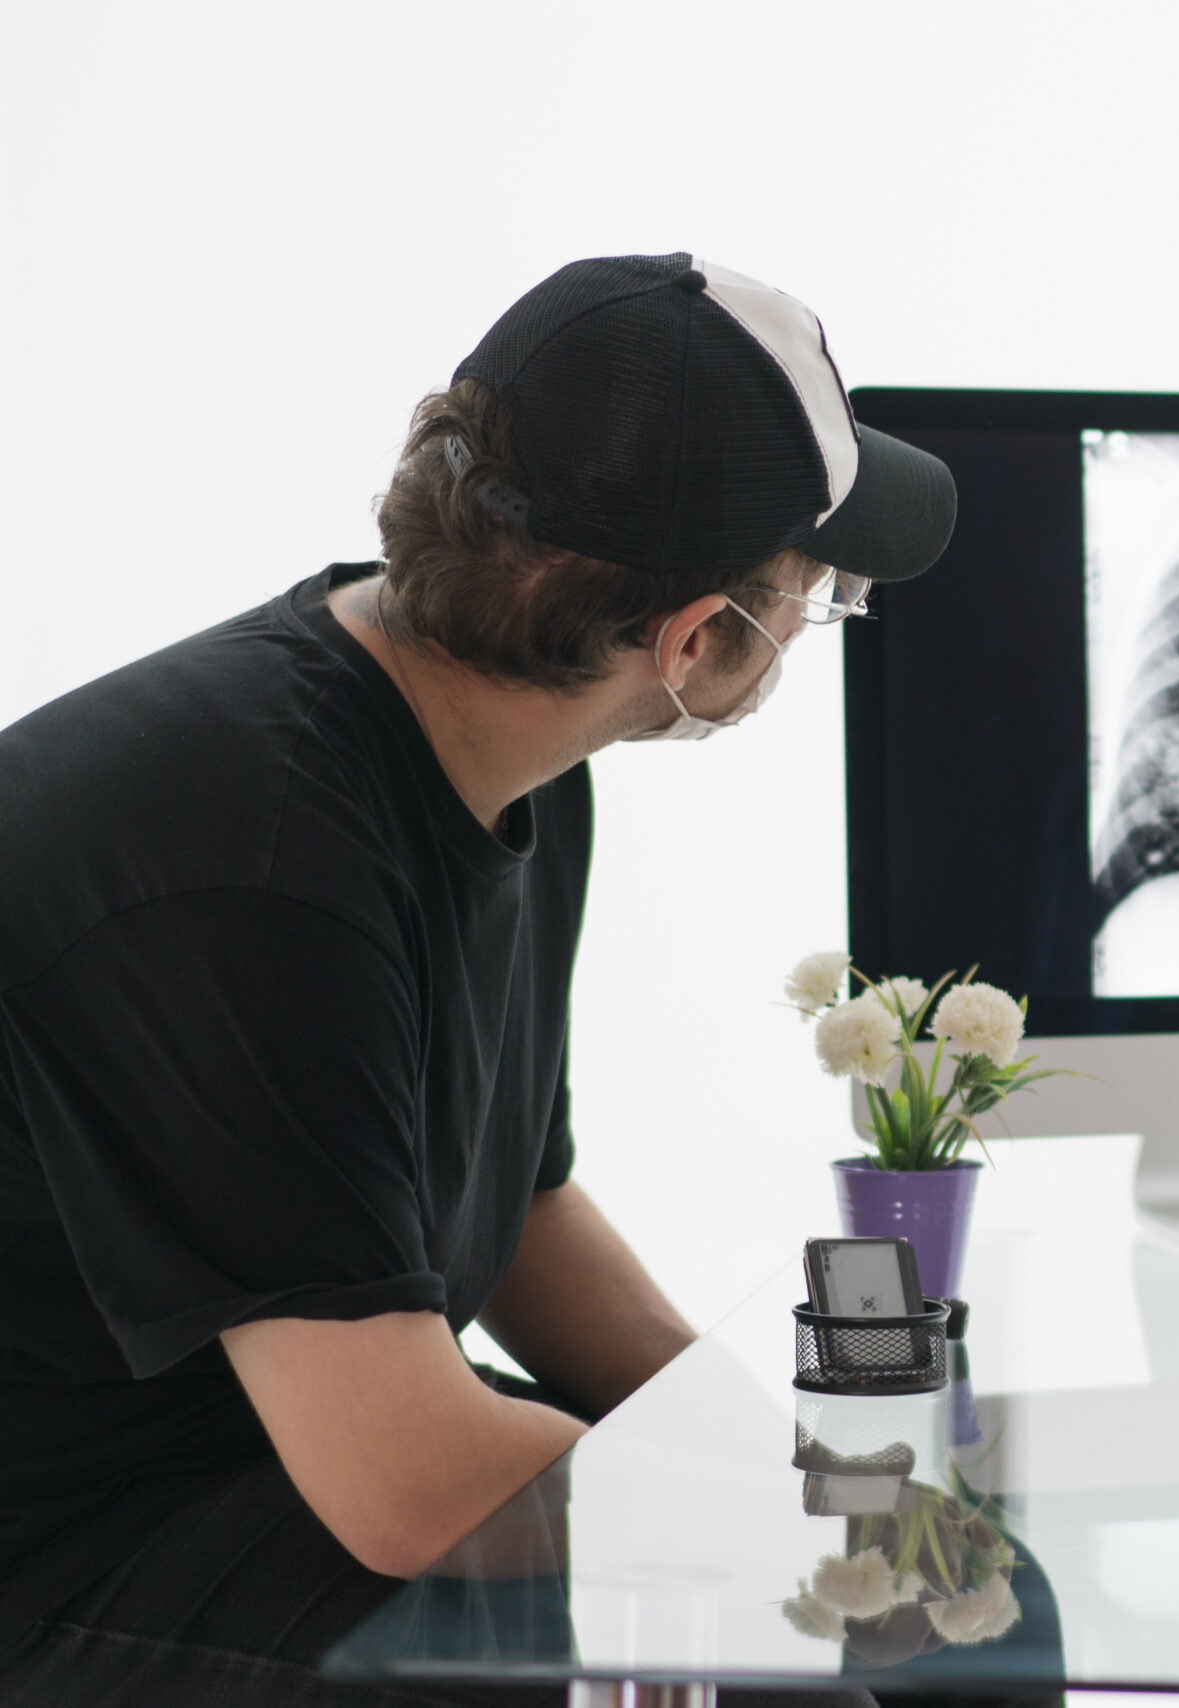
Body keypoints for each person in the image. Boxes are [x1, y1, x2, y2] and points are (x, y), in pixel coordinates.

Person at [0, 253, 958, 1705]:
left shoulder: (510, 754)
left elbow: (512, 1213)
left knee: (953, 1611)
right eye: (811, 596)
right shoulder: (245, 854)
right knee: (806, 1654)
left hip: (282, 1454)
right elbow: (411, 1484)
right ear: (696, 642)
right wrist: (792, 1537)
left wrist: (804, 1470)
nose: (808, 628)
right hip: (76, 1551)